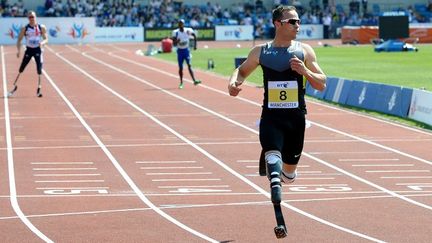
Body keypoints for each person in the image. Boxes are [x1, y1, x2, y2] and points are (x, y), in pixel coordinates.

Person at [227, 5, 326, 238]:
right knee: (273, 165)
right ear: (278, 24)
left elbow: (322, 83)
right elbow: (240, 71)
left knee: (288, 175)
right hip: (270, 118)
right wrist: (233, 83)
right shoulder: (261, 52)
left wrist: (305, 72)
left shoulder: (304, 51)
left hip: (296, 121)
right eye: (292, 21)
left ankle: (284, 174)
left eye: (298, 21)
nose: (297, 25)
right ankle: (277, 206)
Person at [8, 10, 48, 98]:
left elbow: (46, 38)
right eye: (30, 17)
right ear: (28, 18)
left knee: (39, 69)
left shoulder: (42, 27)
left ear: (35, 17)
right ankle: (15, 85)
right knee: (22, 68)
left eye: (33, 17)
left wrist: (42, 43)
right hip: (29, 50)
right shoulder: (25, 28)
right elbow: (19, 40)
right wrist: (18, 51)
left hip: (38, 50)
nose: (31, 19)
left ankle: (39, 88)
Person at [171, 19, 201, 89]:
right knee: (181, 68)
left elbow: (194, 36)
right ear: (178, 25)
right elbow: (174, 43)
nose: (181, 25)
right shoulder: (176, 32)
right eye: (179, 24)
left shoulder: (188, 30)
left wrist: (195, 45)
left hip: (186, 50)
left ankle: (194, 80)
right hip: (180, 51)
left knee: (189, 65)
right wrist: (177, 41)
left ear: (183, 24)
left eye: (182, 23)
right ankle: (181, 82)